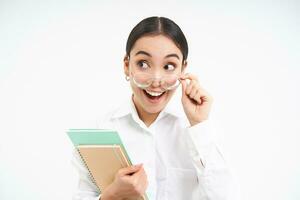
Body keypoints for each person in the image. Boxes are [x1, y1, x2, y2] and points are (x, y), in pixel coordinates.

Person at [72, 16, 239, 200]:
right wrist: (112, 196)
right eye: (143, 64)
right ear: (127, 66)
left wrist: (199, 125)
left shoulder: (200, 131)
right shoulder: (100, 130)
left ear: (182, 70)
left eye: (169, 66)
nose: (156, 80)